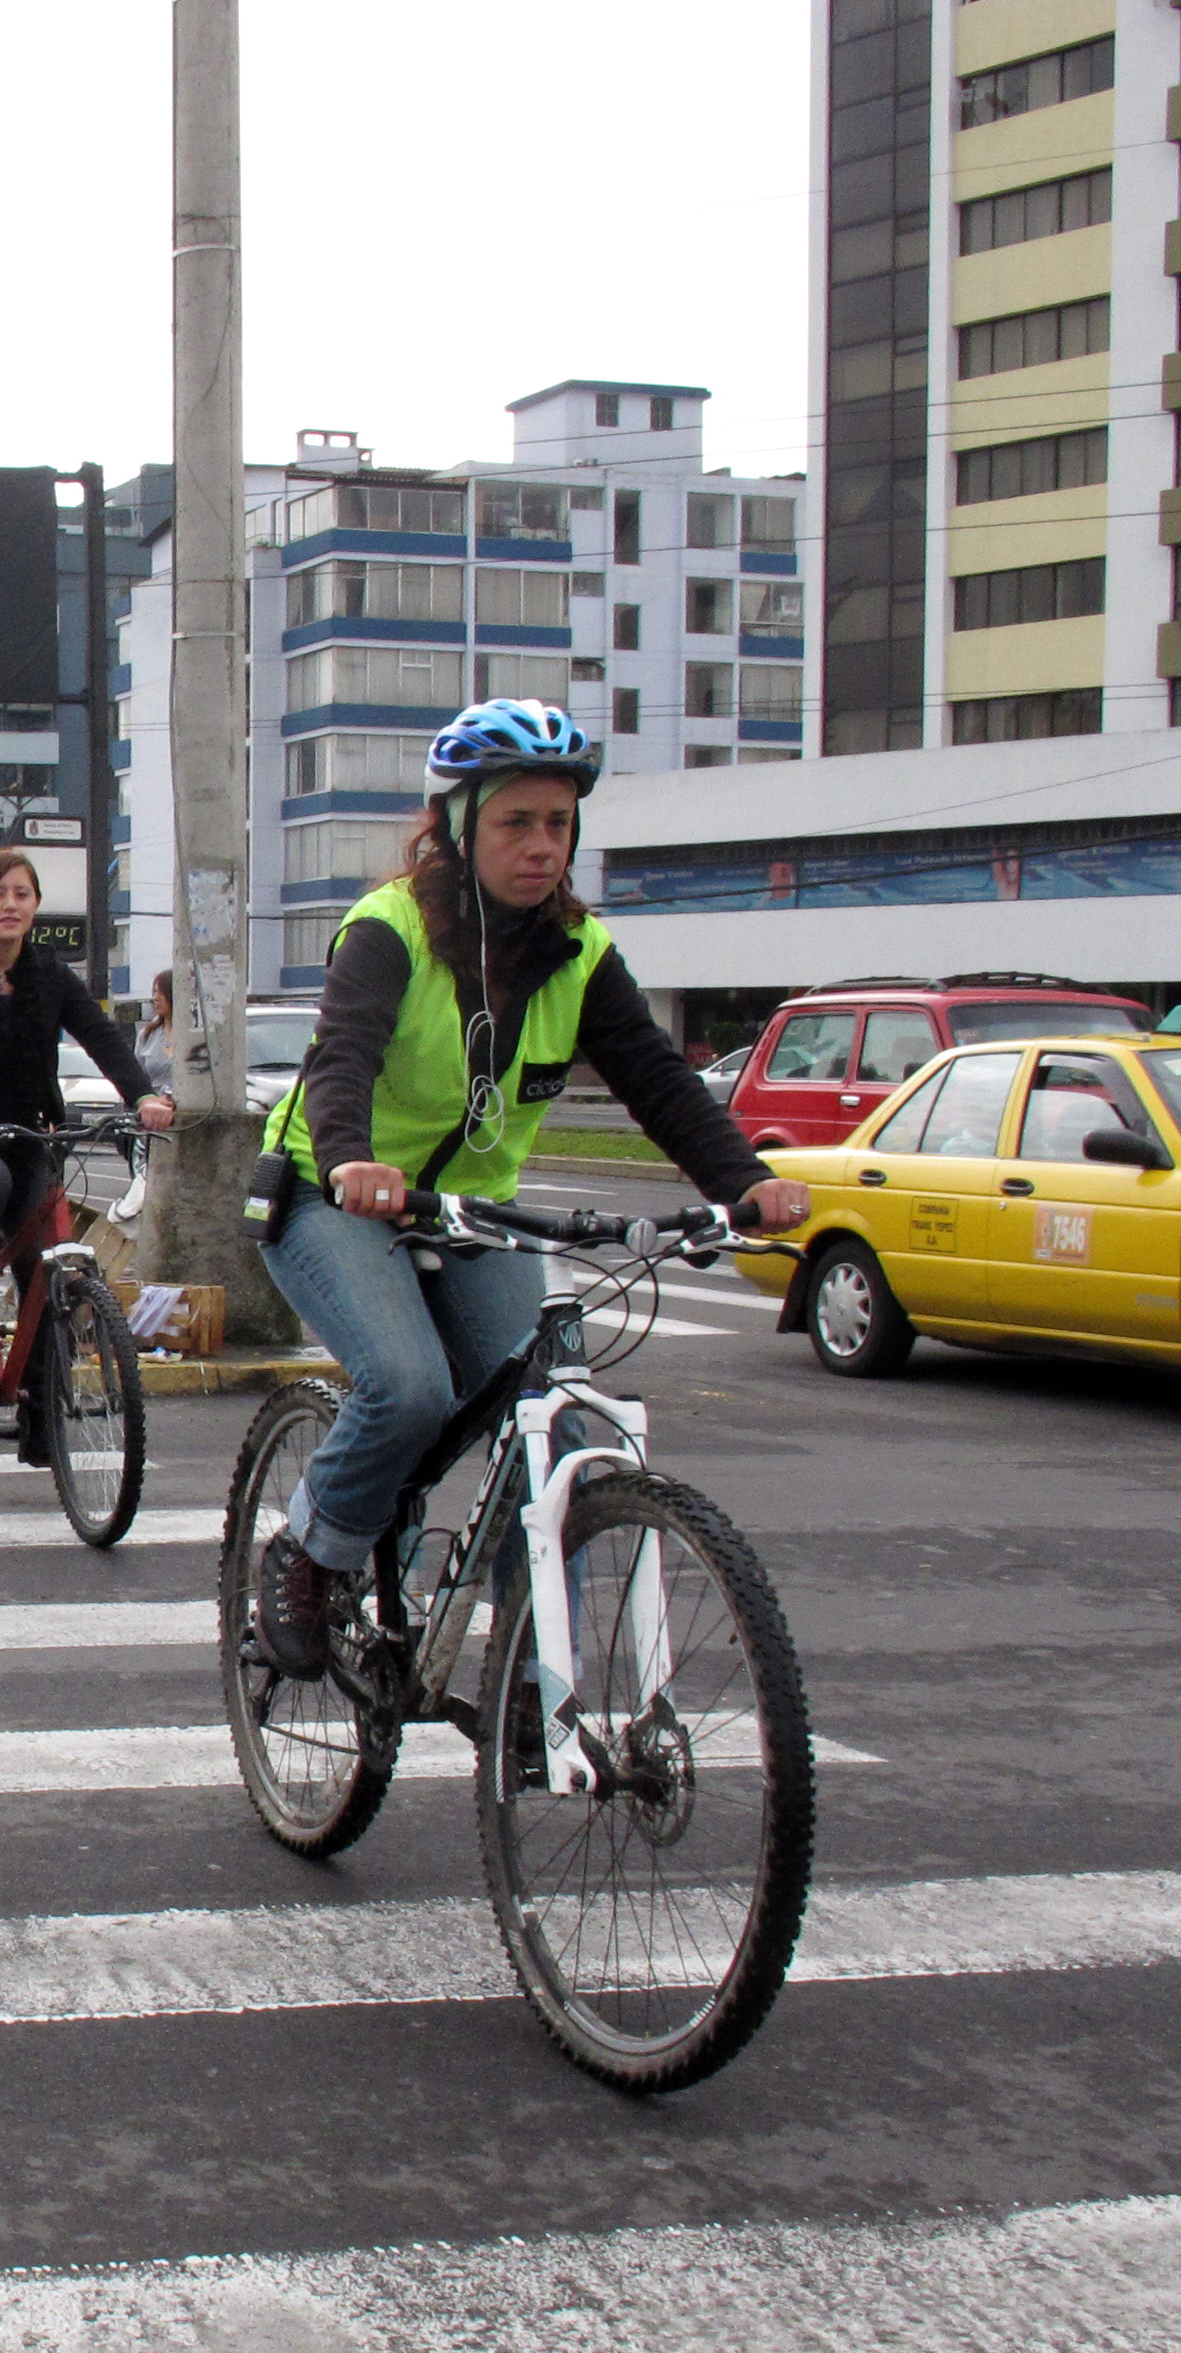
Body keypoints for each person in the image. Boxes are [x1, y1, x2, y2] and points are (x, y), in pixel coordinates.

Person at [247, 699, 808, 1677]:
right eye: (516, 823)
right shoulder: (389, 930)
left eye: (558, 824)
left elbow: (660, 1082)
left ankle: (534, 1683)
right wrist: (346, 1159)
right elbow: (343, 1058)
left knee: (549, 1420)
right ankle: (310, 1554)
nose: (541, 846)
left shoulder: (579, 955)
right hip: (330, 1197)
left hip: (478, 1215)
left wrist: (745, 1181)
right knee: (410, 1388)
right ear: (460, 828)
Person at [0, 846, 175, 1357]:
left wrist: (144, 1096)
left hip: (26, 1132)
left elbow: (101, 1037)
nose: (10, 905)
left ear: (36, 904)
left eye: (21, 894)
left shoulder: (50, 973)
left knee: (39, 1270)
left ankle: (39, 1422)